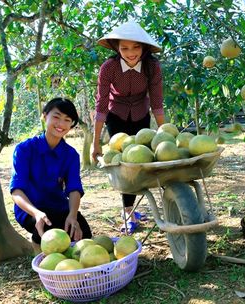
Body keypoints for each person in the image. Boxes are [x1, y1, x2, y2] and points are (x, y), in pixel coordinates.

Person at [91, 21, 165, 234]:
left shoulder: (152, 67)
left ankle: (133, 206)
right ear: (116, 48)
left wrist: (166, 135)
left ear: (144, 48)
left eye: (136, 47)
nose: (131, 53)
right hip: (117, 117)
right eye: (124, 48)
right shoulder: (109, 68)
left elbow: (157, 103)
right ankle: (128, 211)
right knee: (124, 164)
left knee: (141, 159)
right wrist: (95, 144)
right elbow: (101, 106)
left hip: (141, 115)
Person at [10, 97, 92, 252]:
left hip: (58, 207)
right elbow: (16, 191)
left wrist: (73, 216)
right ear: (44, 116)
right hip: (30, 209)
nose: (61, 124)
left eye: (67, 120)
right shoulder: (24, 150)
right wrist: (36, 213)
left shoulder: (71, 155)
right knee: (48, 230)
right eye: (56, 117)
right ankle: (39, 253)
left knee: (83, 234)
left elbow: (74, 189)